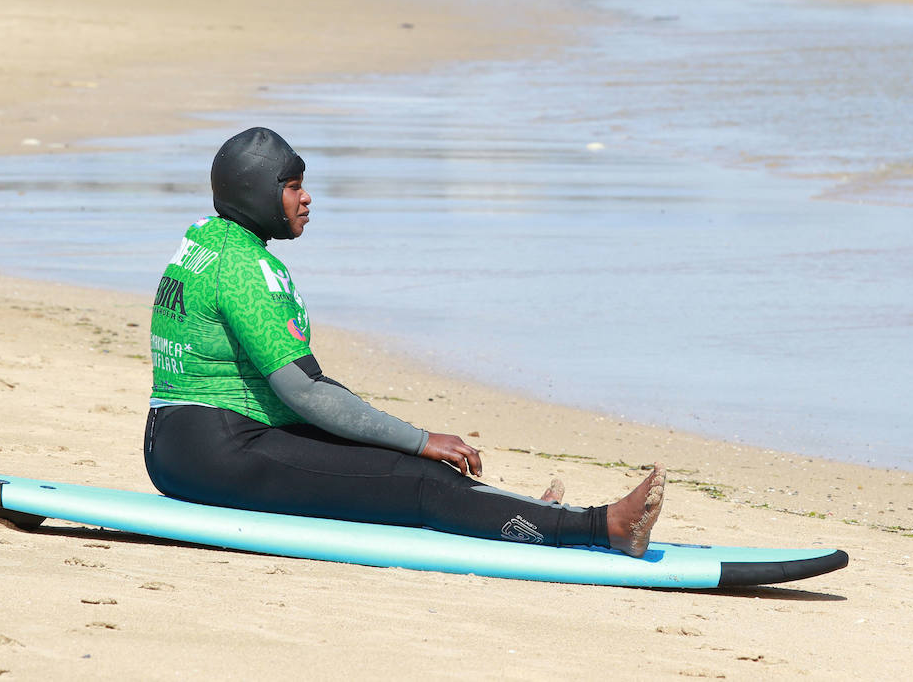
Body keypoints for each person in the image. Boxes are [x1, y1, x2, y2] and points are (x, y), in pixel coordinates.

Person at [144, 127, 666, 555]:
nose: (306, 198)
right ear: (258, 192)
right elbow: (306, 393)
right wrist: (421, 438)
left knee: (385, 454)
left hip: (176, 443)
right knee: (418, 478)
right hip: (220, 448)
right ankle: (606, 527)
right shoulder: (248, 268)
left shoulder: (204, 241)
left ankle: (531, 513)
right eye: (292, 186)